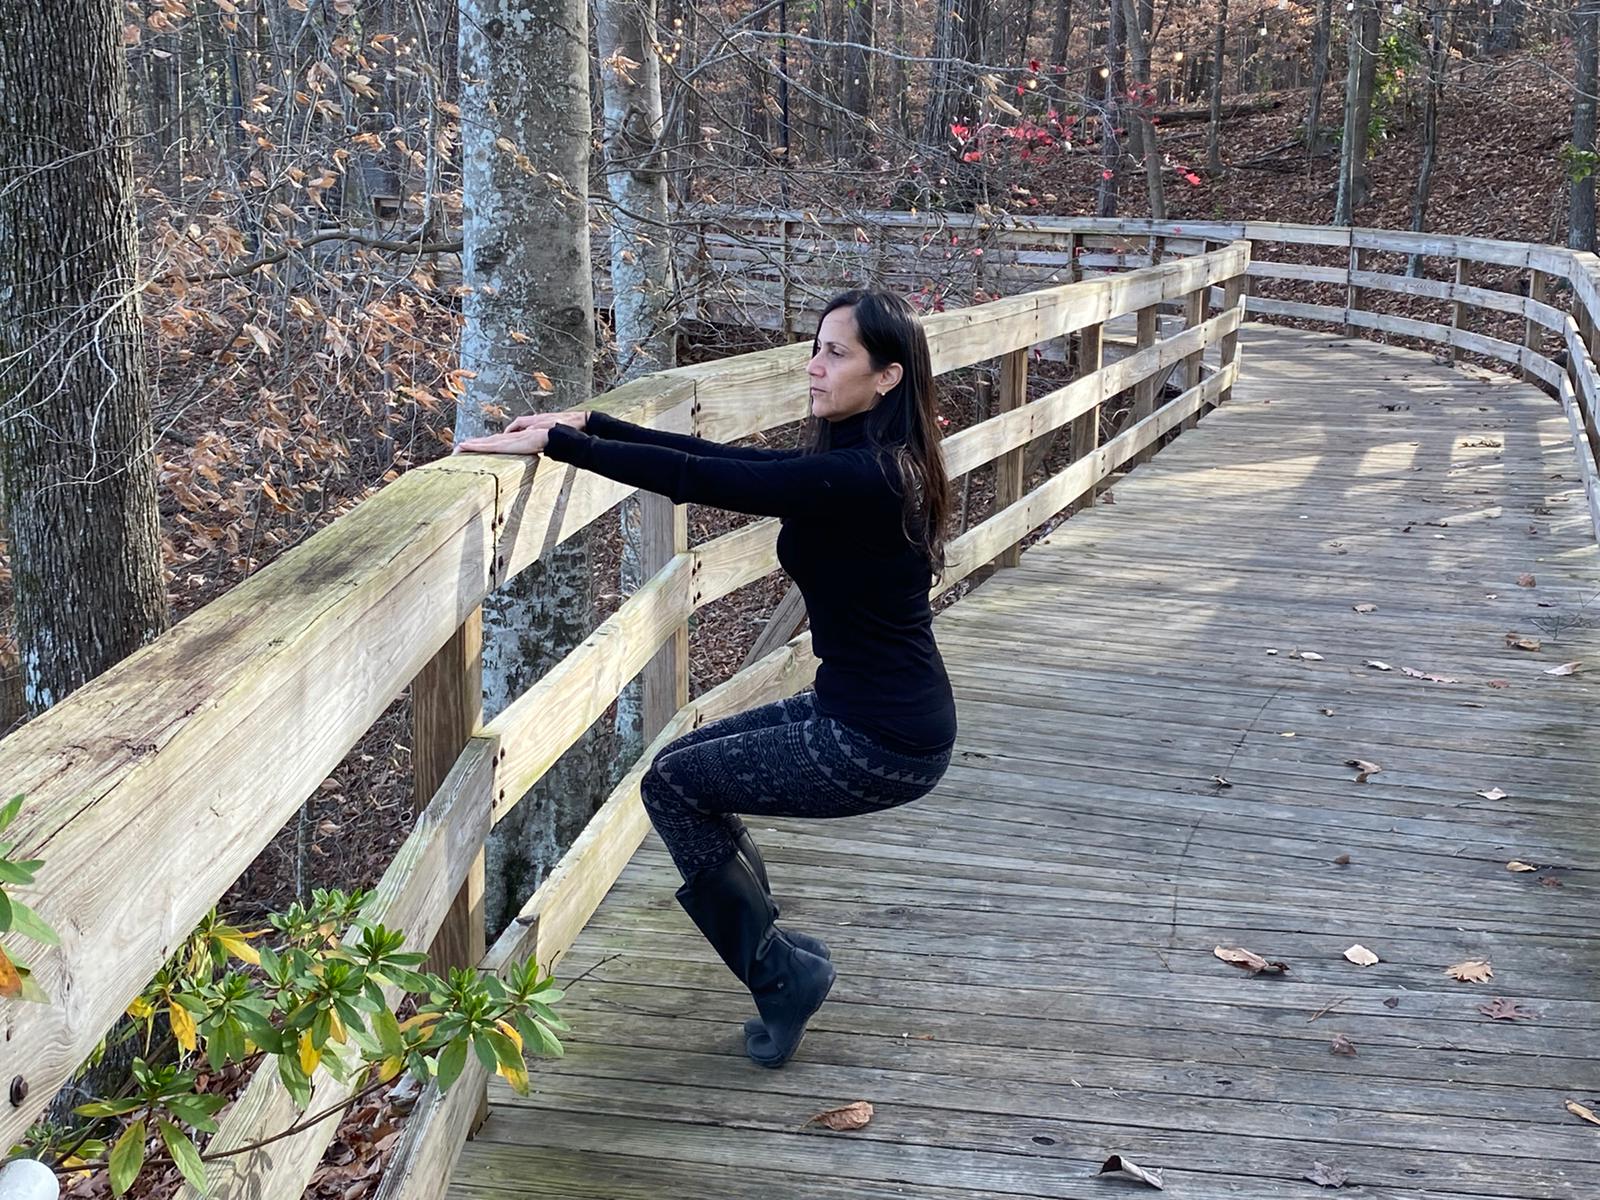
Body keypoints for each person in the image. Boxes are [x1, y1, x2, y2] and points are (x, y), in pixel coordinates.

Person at [455, 289, 957, 1068]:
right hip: (858, 711)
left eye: (835, 353)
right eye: (815, 347)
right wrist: (593, 426)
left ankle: (779, 975)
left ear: (887, 377)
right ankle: (782, 957)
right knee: (677, 773)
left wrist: (567, 446)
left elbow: (707, 480)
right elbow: (744, 464)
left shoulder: (872, 477)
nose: (813, 366)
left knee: (676, 788)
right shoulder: (863, 460)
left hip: (878, 742)